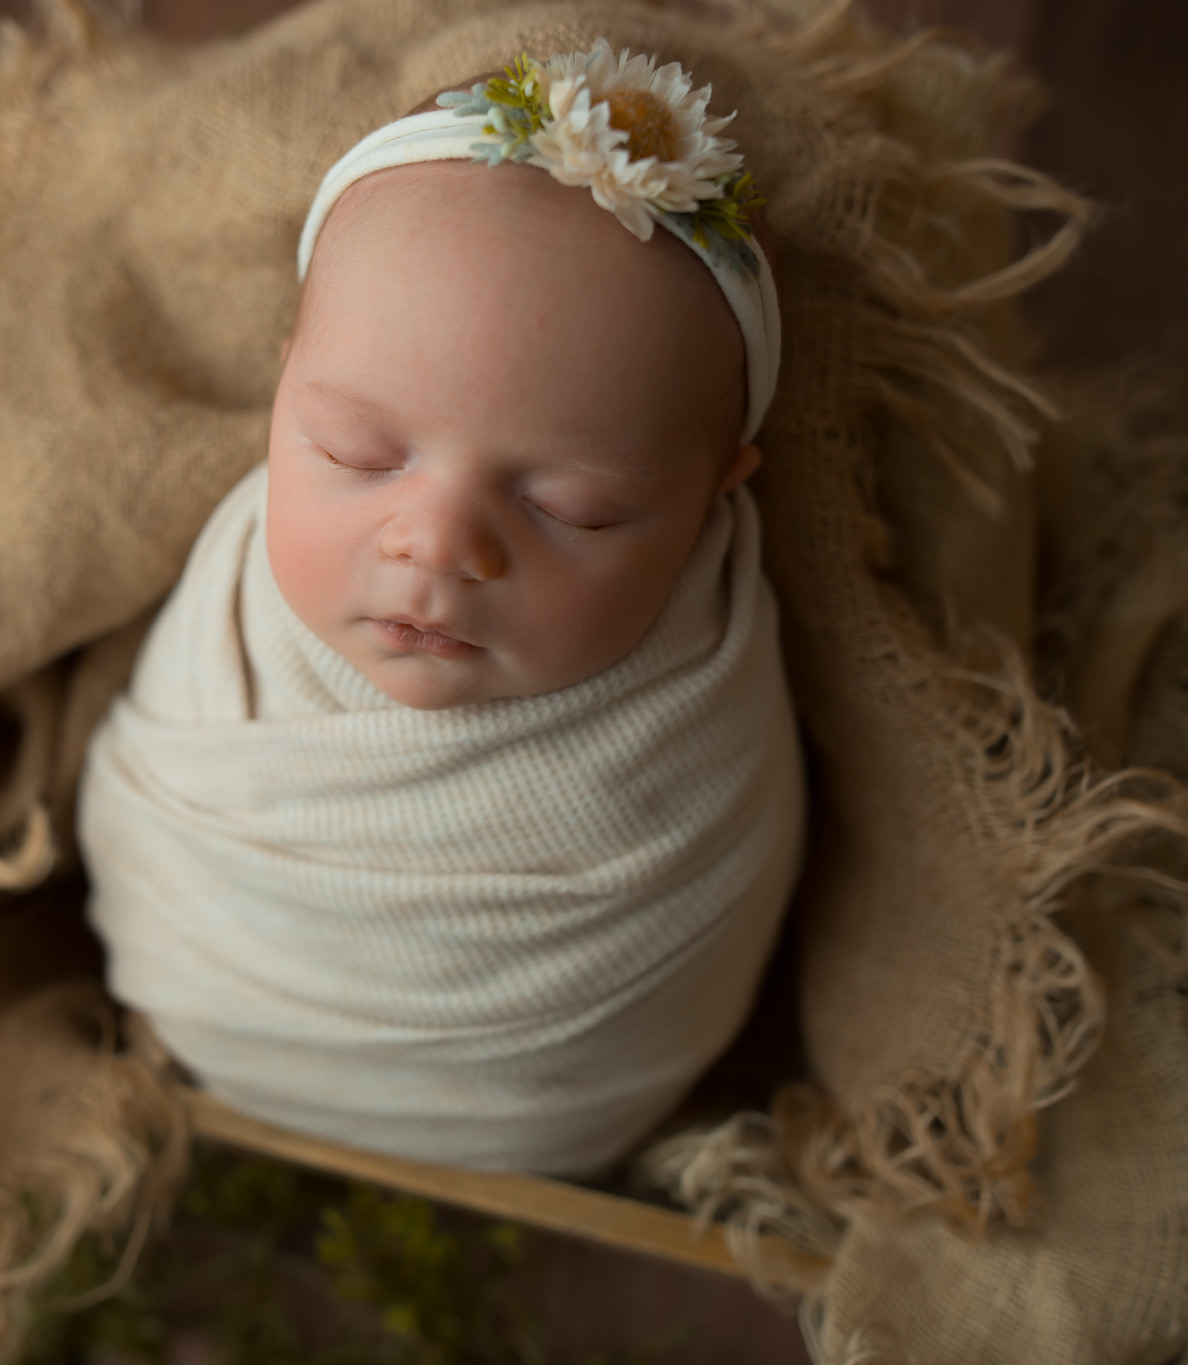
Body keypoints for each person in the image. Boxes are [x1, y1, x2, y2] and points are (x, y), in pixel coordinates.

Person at [79, 42, 807, 1177]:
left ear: (716, 496)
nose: (436, 543)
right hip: (196, 1021)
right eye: (355, 452)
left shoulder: (698, 698)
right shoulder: (237, 592)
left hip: (537, 1126)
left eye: (571, 508)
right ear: (284, 382)